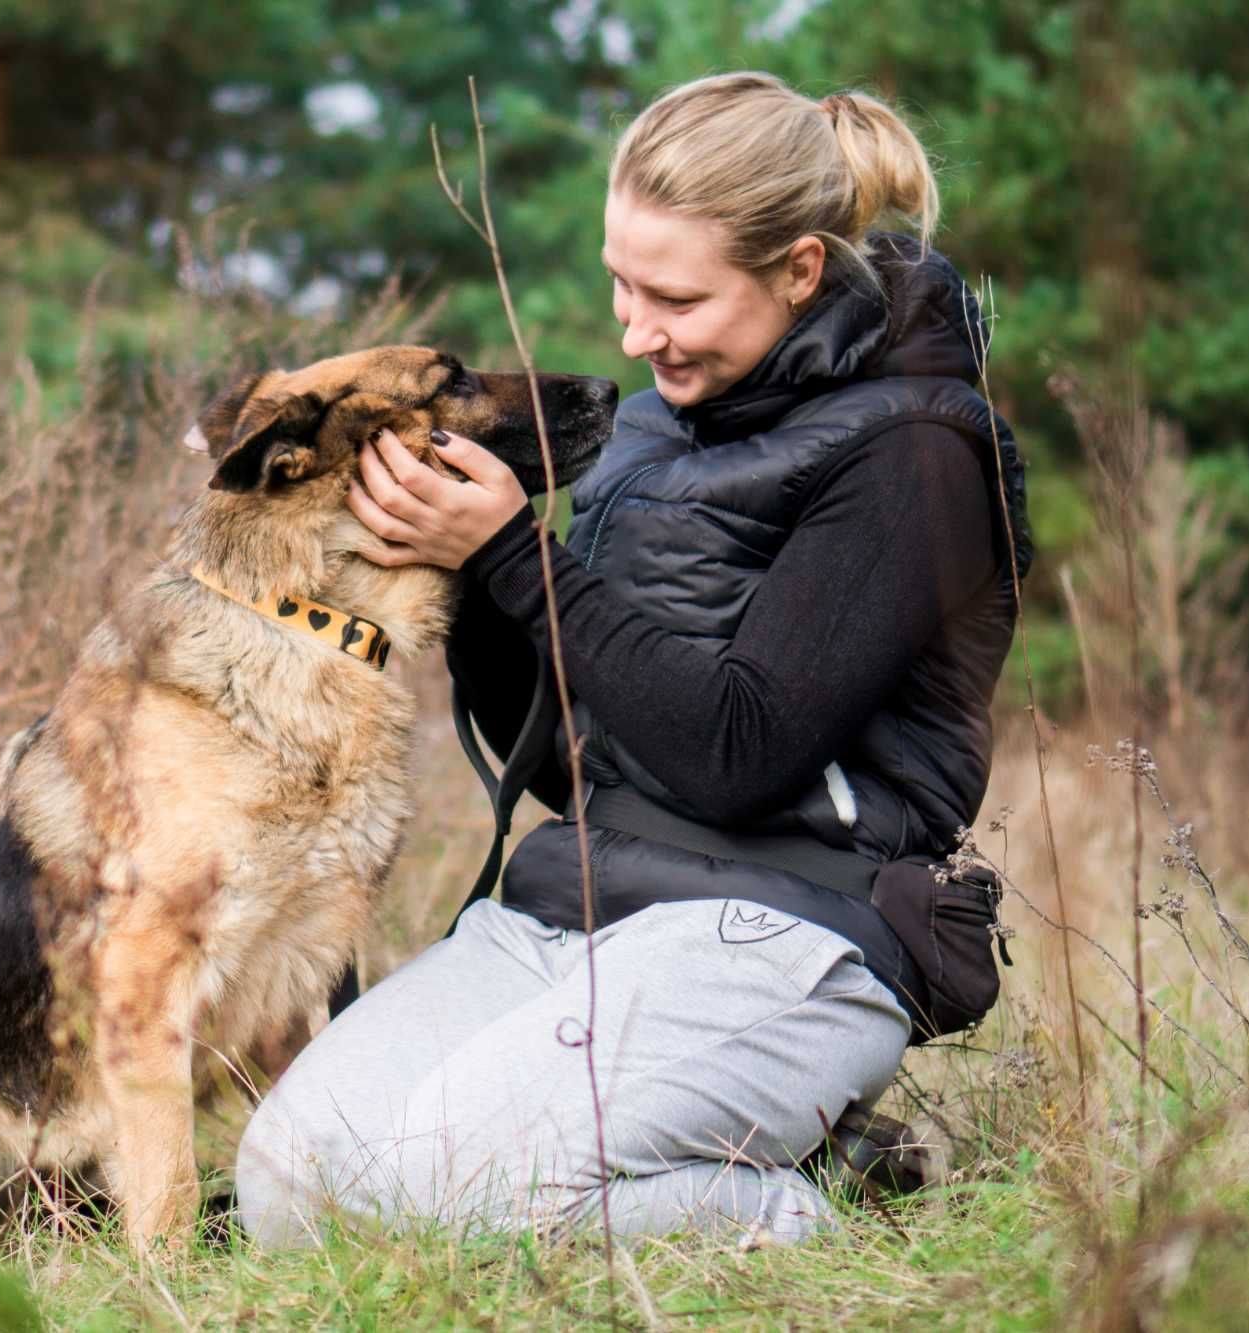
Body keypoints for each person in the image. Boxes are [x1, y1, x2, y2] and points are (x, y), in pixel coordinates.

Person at [235, 71, 1030, 1245]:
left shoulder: (917, 451)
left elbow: (734, 754)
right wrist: (451, 565)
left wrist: (515, 553)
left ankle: (832, 1204)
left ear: (798, 270)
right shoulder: (658, 424)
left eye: (673, 296)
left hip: (789, 928)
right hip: (580, 906)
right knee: (291, 1188)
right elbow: (570, 755)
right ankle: (739, 1151)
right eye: (619, 281)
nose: (631, 331)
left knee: (458, 1190)